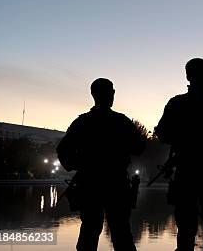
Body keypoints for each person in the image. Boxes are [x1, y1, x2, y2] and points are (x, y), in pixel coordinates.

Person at [155, 58, 203, 251]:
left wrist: (182, 138)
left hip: (186, 171)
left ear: (188, 76)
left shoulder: (176, 104)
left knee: (187, 227)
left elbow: (163, 134)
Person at [57, 78, 146, 251]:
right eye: (111, 91)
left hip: (90, 183)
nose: (112, 95)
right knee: (121, 233)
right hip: (116, 183)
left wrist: (80, 166)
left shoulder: (82, 122)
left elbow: (63, 151)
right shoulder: (121, 121)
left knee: (89, 232)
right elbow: (140, 147)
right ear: (110, 94)